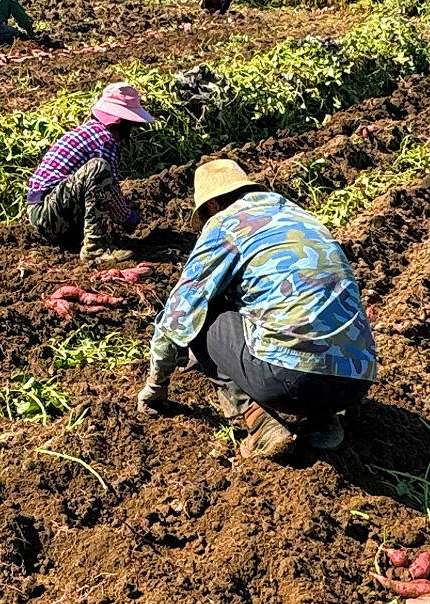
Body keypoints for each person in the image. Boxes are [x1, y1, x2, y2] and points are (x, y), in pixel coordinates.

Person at [137, 159, 376, 459]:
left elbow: (179, 313)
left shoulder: (225, 224)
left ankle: (259, 423)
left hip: (290, 381)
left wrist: (156, 385)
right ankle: (323, 421)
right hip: (357, 379)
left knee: (201, 312)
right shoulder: (298, 215)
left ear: (212, 205)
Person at [26, 82, 152, 264]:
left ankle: (84, 239)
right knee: (99, 168)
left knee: (99, 183)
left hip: (46, 209)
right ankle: (94, 248)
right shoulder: (105, 140)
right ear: (120, 122)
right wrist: (127, 218)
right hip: (47, 212)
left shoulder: (88, 132)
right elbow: (109, 187)